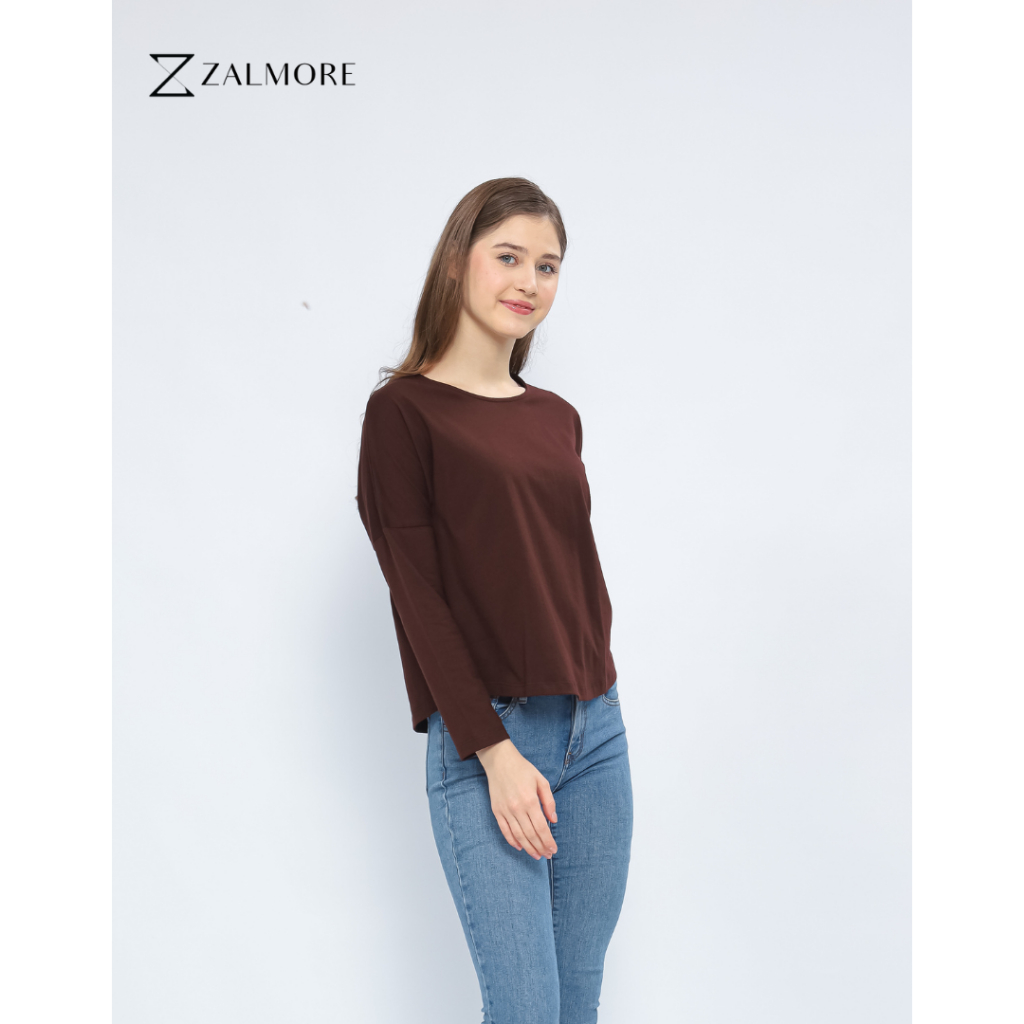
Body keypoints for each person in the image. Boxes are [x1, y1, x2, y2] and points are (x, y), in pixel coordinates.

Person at [355, 177, 632, 1024]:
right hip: (489, 739)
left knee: (577, 1005)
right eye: (508, 256)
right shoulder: (403, 414)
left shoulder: (557, 417)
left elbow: (569, 569)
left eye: (547, 266)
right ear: (456, 261)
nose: (529, 282)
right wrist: (494, 752)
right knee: (526, 1009)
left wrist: (597, 684)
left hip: (596, 732)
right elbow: (418, 598)